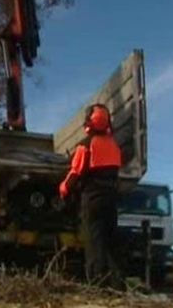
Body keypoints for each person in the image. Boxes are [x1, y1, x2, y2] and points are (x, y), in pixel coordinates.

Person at [58, 103, 123, 288]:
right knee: (110, 242)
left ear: (88, 122)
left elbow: (75, 173)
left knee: (94, 243)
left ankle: (96, 286)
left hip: (93, 199)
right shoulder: (114, 146)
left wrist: (63, 189)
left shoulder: (85, 146)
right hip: (111, 199)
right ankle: (116, 285)